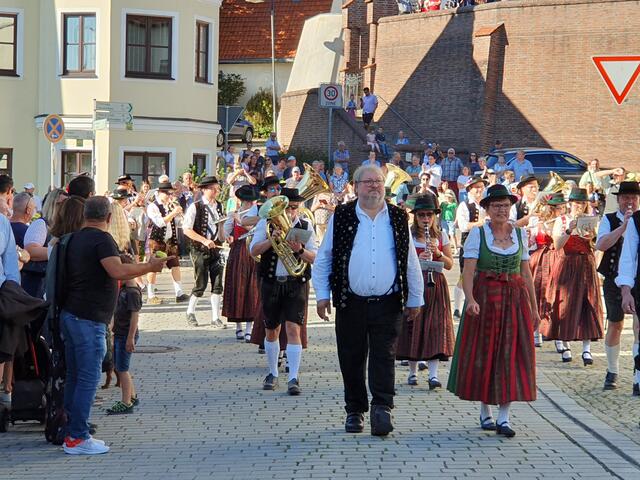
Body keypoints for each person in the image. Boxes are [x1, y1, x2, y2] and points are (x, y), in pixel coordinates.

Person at [313, 165, 423, 436]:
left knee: (384, 356)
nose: (374, 186)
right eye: (368, 181)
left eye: (378, 181)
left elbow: (410, 259)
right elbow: (324, 257)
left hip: (388, 301)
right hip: (350, 301)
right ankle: (355, 410)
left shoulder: (398, 216)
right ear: (356, 186)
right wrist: (322, 295)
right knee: (351, 356)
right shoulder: (342, 215)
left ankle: (382, 407)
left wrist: (416, 298)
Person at [60, 196, 167, 454]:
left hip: (71, 314)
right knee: (88, 378)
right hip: (89, 319)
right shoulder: (102, 240)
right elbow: (117, 271)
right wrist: (149, 266)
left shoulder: (73, 238)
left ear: (85, 215)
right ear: (108, 217)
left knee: (75, 376)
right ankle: (78, 437)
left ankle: (70, 431)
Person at [448, 184, 538, 438]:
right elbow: (468, 272)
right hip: (485, 299)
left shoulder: (519, 234)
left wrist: (534, 308)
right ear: (487, 209)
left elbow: (526, 274)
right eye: (497, 205)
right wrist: (470, 299)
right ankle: (485, 410)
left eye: (506, 206)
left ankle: (504, 417)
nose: (502, 210)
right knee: (484, 352)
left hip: (514, 300)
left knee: (510, 354)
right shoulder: (478, 234)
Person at [250, 188, 318, 395]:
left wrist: (299, 249)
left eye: (294, 208)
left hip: (295, 282)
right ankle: (272, 373)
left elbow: (315, 257)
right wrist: (271, 240)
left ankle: (293, 377)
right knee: (271, 329)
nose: (289, 213)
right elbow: (253, 251)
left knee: (293, 329)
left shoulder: (305, 226)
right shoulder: (266, 224)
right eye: (287, 208)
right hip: (271, 282)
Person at [396, 195, 454, 388]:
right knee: (413, 325)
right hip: (415, 283)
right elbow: (400, 261)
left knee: (435, 327)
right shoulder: (409, 235)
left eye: (429, 215)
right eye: (421, 215)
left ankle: (433, 375)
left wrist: (437, 253)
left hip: (435, 284)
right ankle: (412, 372)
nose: (426, 218)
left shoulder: (441, 236)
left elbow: (450, 265)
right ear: (416, 216)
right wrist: (416, 259)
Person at [548, 188, 604, 363]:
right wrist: (568, 230)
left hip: (586, 264)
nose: (579, 206)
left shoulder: (591, 220)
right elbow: (557, 245)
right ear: (570, 203)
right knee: (565, 304)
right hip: (567, 263)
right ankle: (565, 344)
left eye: (582, 203)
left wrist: (593, 237)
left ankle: (587, 349)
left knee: (588, 304)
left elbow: (597, 246)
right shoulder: (562, 220)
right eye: (577, 203)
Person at [595, 182, 640, 390]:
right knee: (616, 323)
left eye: (633, 198)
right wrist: (623, 227)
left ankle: (637, 374)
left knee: (638, 326)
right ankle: (612, 370)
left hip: (637, 280)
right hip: (614, 278)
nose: (629, 201)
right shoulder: (609, 219)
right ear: (619, 199)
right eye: (625, 198)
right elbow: (601, 245)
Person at [182, 176, 225, 327]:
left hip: (216, 249)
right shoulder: (195, 207)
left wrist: (224, 232)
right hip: (199, 249)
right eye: (213, 188)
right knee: (201, 283)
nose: (216, 191)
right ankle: (190, 311)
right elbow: (186, 230)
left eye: (217, 188)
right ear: (204, 190)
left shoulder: (220, 206)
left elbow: (221, 234)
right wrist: (204, 240)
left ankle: (215, 317)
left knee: (218, 283)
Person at [222, 185, 260, 341]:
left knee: (252, 289)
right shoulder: (235, 213)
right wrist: (223, 223)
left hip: (252, 251)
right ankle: (238, 327)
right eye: (247, 201)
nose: (250, 203)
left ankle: (250, 328)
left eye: (251, 201)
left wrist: (239, 220)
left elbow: (253, 229)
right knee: (237, 286)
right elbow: (224, 235)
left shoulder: (257, 213)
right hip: (238, 252)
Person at [106, 255, 142, 415]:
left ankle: (126, 402)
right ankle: (132, 396)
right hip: (120, 333)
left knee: (122, 369)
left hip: (126, 334)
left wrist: (130, 337)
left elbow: (135, 316)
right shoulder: (124, 289)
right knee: (121, 367)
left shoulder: (132, 292)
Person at [528, 192, 565, 347]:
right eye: (558, 207)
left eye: (562, 207)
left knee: (557, 296)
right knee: (539, 293)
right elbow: (530, 242)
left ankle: (557, 336)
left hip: (557, 258)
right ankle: (536, 332)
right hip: (540, 259)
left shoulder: (564, 222)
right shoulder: (538, 221)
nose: (561, 210)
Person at [145, 181, 188, 304]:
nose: (170, 196)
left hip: (170, 240)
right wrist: (173, 213)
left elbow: (177, 223)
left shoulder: (169, 205)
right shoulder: (153, 206)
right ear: (160, 193)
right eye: (168, 194)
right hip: (157, 241)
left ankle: (179, 293)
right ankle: (151, 295)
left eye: (171, 194)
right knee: (154, 267)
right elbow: (160, 223)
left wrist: (181, 216)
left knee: (175, 265)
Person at [453, 176, 487, 317]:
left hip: (484, 244)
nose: (480, 190)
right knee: (465, 275)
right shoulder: (464, 205)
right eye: (476, 187)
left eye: (481, 187)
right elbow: (463, 226)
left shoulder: (485, 205)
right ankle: (457, 308)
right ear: (469, 190)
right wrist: (482, 223)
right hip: (468, 244)